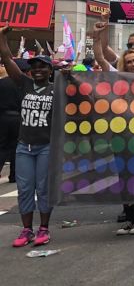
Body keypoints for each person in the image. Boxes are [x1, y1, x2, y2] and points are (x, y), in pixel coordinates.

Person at [93, 21, 134, 235]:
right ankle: (128, 217)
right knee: (124, 176)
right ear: (123, 65)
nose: (133, 64)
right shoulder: (116, 78)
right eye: (128, 62)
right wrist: (97, 36)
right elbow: (100, 58)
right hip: (120, 135)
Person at [0, 26, 54, 247]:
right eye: (34, 67)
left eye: (43, 66)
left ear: (50, 70)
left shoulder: (57, 89)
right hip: (24, 147)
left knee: (43, 189)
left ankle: (44, 228)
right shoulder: (24, 84)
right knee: (24, 189)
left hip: (46, 147)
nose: (38, 70)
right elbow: (7, 58)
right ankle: (26, 230)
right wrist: (2, 38)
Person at [0, 59, 23, 184]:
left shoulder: (2, 83)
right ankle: (13, 175)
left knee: (2, 147)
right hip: (18, 118)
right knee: (16, 148)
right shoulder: (23, 84)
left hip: (3, 117)